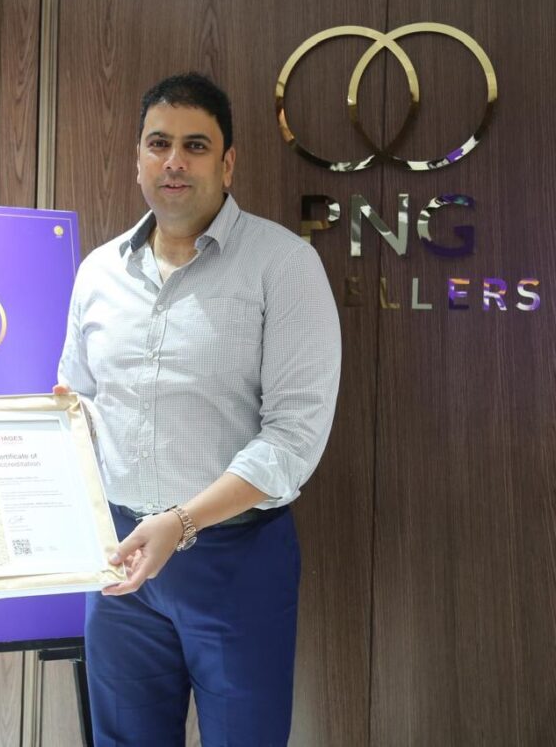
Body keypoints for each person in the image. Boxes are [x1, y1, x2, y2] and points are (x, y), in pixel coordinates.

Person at [57, 73, 341, 745]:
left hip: (235, 559)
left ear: (227, 163)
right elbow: (79, 402)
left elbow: (292, 439)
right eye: (159, 143)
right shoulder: (99, 271)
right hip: (120, 558)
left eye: (195, 145)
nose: (174, 162)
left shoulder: (284, 265)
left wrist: (181, 522)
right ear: (138, 158)